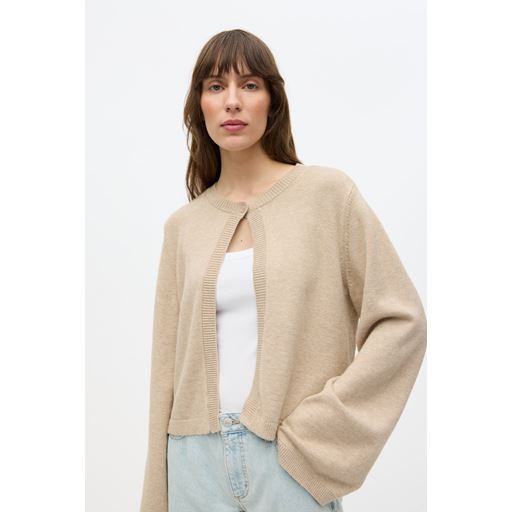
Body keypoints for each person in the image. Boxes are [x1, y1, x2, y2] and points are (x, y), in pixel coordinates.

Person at [140, 29, 427, 512]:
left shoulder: (328, 196)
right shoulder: (183, 227)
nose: (232, 101)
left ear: (272, 101)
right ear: (199, 105)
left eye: (250, 85)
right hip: (192, 463)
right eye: (216, 86)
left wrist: (323, 428)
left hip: (289, 459)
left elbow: (401, 321)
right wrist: (156, 495)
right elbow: (164, 372)